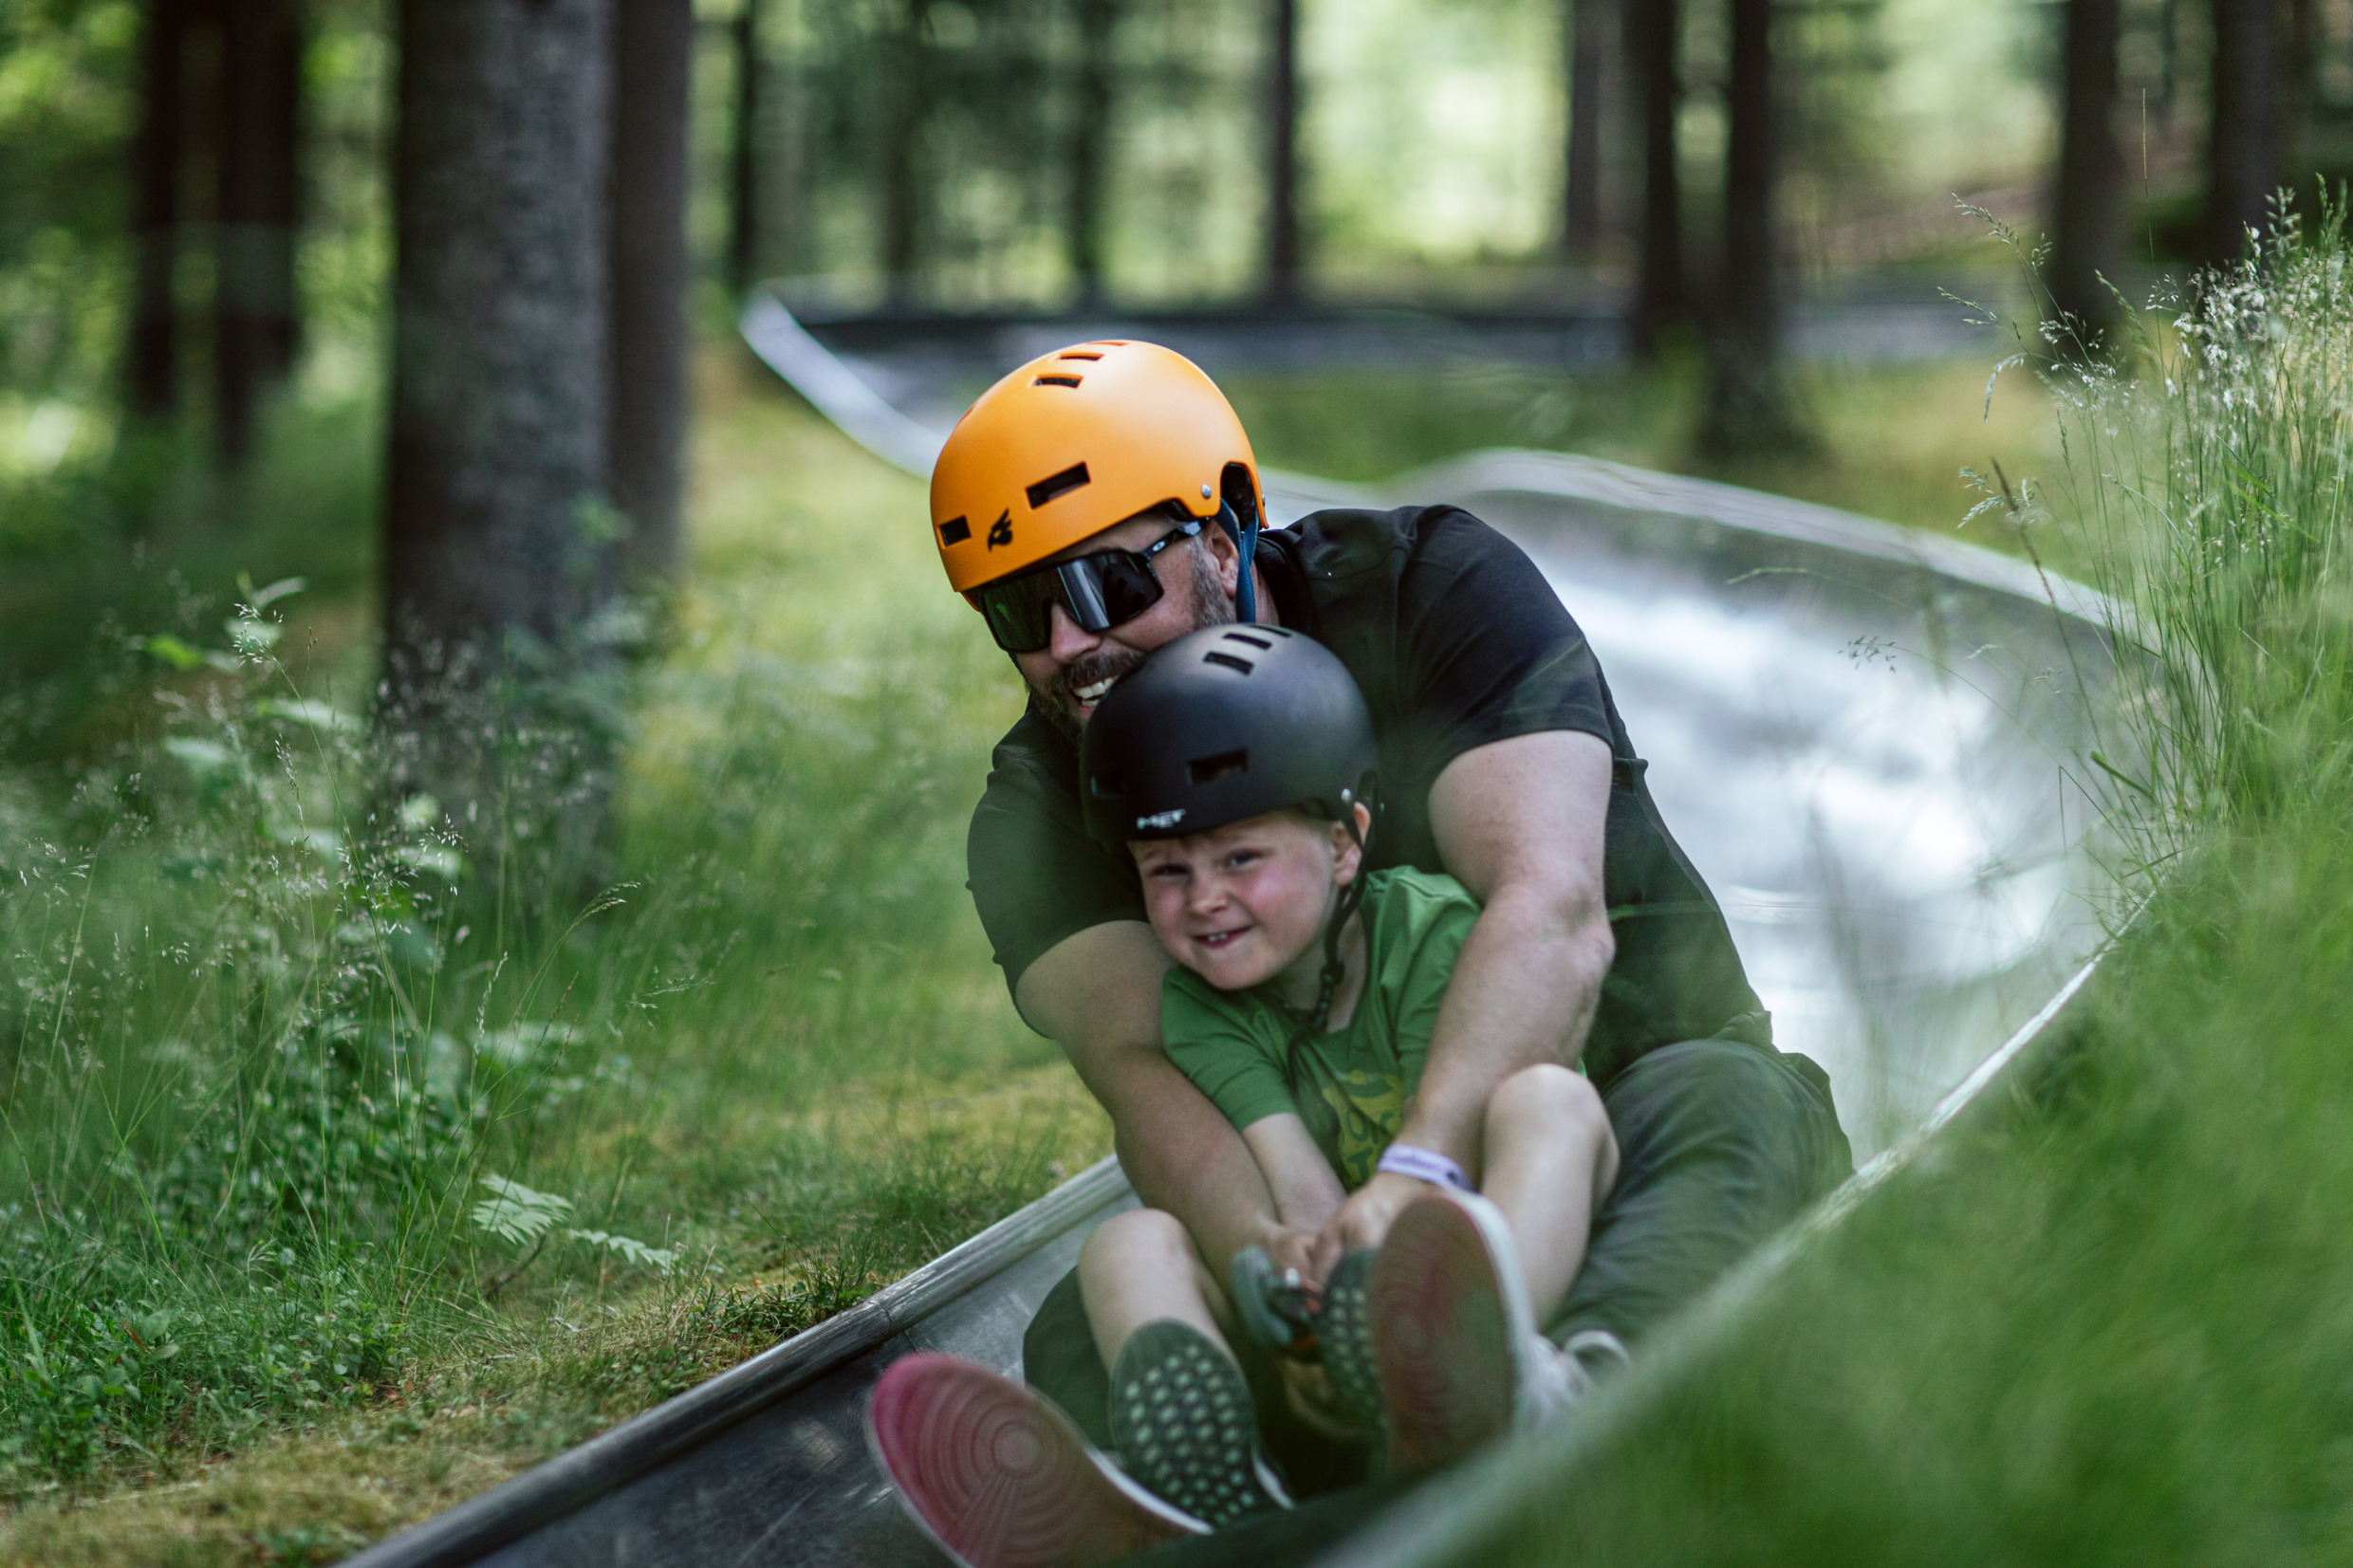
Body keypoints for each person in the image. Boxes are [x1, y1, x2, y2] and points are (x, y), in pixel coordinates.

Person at [868, 340, 1853, 1566]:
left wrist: (1418, 1189)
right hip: (1335, 1256)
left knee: (1729, 1096)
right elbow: (1150, 1076)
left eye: (1109, 581)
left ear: (1223, 535)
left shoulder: (1429, 590)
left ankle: (1525, 1426)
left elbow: (1549, 912)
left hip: (1617, 1146)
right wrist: (1291, 1289)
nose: (1071, 642)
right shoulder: (1034, 809)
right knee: (1086, 1317)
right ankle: (1304, 1489)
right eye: (1019, 609)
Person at [1070, 625, 1623, 1527]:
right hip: (1356, 1301)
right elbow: (1297, 1182)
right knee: (1123, 1246)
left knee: (1548, 1098)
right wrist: (1293, 1267)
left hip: (1481, 1230)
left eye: (1239, 857)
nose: (1203, 897)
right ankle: (1216, 1498)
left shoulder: (1427, 933)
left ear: (1343, 843)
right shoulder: (1202, 1011)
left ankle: (1500, 1377)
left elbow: (1460, 1153)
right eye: (1167, 870)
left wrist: (1388, 1259)